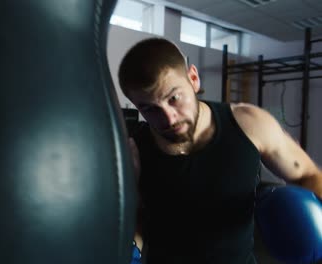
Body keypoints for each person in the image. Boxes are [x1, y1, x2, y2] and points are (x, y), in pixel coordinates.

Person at [118, 37, 322, 263]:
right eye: (149, 108)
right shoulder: (133, 150)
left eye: (174, 98)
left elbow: (308, 175)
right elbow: (135, 215)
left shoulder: (249, 125)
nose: (168, 118)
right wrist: (131, 250)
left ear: (193, 78)